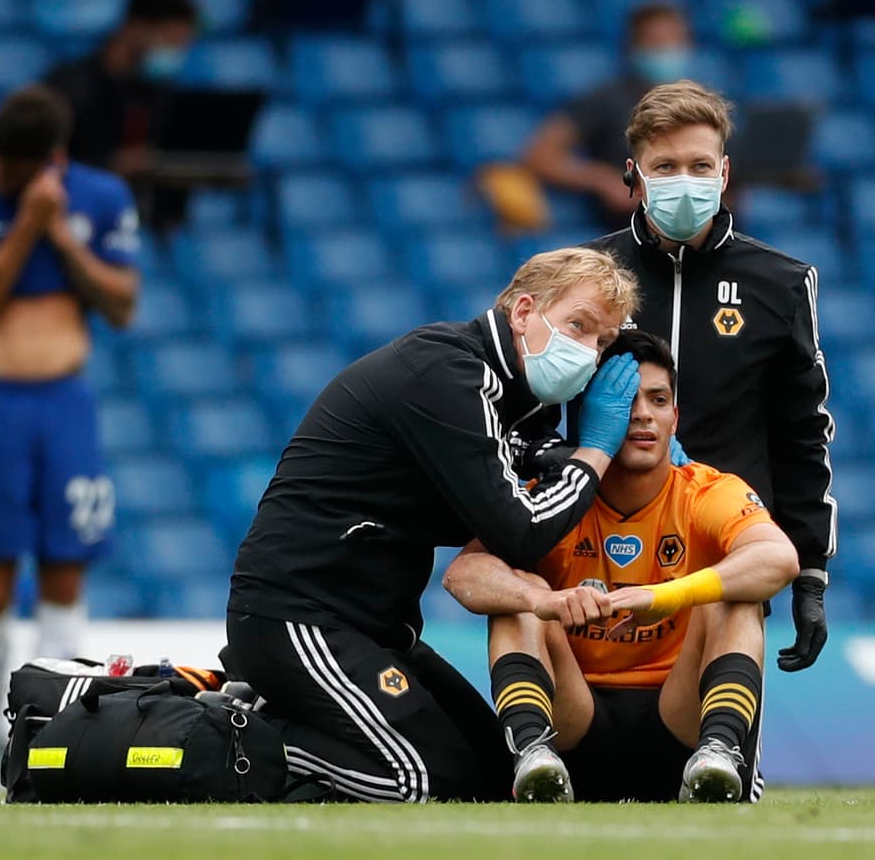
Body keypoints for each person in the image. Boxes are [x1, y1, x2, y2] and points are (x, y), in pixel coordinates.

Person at [222, 247, 641, 803]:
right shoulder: (448, 375)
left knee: (495, 776)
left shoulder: (522, 400)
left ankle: (289, 723)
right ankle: (235, 733)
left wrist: (641, 459)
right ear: (522, 313)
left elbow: (545, 464)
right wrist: (597, 451)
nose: (587, 353)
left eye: (603, 342)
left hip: (376, 628)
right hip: (298, 617)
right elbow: (520, 529)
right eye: (579, 326)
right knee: (419, 781)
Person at [444, 331, 799, 803]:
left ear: (676, 417)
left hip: (680, 720)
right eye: (626, 400)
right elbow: (462, 574)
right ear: (593, 414)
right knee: (517, 594)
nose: (643, 414)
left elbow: (779, 558)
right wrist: (544, 599)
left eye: (658, 399)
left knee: (734, 596)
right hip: (576, 719)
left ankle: (718, 753)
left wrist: (666, 596)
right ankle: (532, 753)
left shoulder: (707, 491)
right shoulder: (552, 495)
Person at [579, 79, 835, 674]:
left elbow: (803, 433)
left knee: (722, 751)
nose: (684, 180)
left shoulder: (782, 282)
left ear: (723, 174)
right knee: (603, 749)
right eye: (664, 165)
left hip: (727, 546)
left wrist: (811, 572)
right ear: (633, 175)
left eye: (698, 165)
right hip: (603, 546)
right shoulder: (585, 278)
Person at [0, 84, 141, 766]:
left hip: (63, 403)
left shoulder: (103, 197)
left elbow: (121, 304)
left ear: (51, 158)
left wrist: (60, 233)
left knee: (65, 571)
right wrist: (26, 224)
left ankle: (45, 740)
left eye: (13, 168)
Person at [42, 0, 201, 229]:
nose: (174, 54)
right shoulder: (67, 88)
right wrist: (110, 166)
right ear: (136, 27)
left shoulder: (162, 93)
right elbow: (40, 165)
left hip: (142, 224)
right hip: (74, 221)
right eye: (169, 42)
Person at [522, 1, 695, 227]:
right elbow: (540, 156)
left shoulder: (700, 104)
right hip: (631, 233)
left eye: (675, 41)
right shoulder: (605, 100)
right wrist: (601, 179)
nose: (668, 50)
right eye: (656, 42)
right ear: (633, 47)